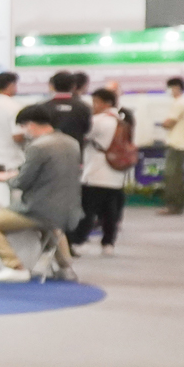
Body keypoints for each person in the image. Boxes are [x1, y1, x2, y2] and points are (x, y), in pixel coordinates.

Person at [0, 104, 81, 283]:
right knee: (54, 227)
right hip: (68, 209)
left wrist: (7, 178)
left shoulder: (38, 147)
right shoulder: (72, 143)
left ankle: (14, 267)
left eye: (23, 126)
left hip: (38, 210)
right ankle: (66, 267)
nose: (23, 132)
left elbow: (22, 182)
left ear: (31, 125)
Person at [73, 87, 127, 255]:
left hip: (96, 172)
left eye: (96, 102)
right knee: (111, 212)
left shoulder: (98, 121)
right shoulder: (123, 121)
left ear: (106, 103)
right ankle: (108, 243)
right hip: (116, 173)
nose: (93, 106)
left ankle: (79, 241)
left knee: (88, 210)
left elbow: (83, 136)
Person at [157, 76, 184, 215]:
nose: (169, 91)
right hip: (181, 144)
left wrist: (162, 123)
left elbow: (169, 123)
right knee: (176, 177)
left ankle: (173, 206)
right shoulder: (183, 102)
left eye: (170, 88)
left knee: (172, 176)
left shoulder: (179, 103)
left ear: (176, 88)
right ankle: (177, 206)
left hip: (177, 145)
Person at [44, 70, 91, 152]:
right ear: (74, 86)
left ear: (52, 86)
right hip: (75, 150)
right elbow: (86, 129)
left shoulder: (43, 107)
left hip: (49, 151)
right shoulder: (83, 107)